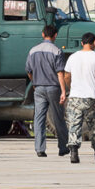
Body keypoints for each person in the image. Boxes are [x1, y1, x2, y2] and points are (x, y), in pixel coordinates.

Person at [62, 32, 95, 164]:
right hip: (92, 97)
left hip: (75, 96)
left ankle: (74, 152)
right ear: (94, 42)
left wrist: (71, 87)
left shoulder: (72, 57)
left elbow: (66, 75)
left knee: (74, 124)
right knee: (94, 125)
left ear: (82, 43)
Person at [25, 24, 69, 157]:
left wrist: (34, 82)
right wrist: (63, 91)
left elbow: (28, 70)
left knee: (38, 118)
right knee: (58, 118)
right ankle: (63, 147)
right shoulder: (57, 51)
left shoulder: (33, 51)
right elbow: (60, 73)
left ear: (43, 34)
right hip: (53, 88)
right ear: (55, 35)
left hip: (38, 88)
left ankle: (40, 148)